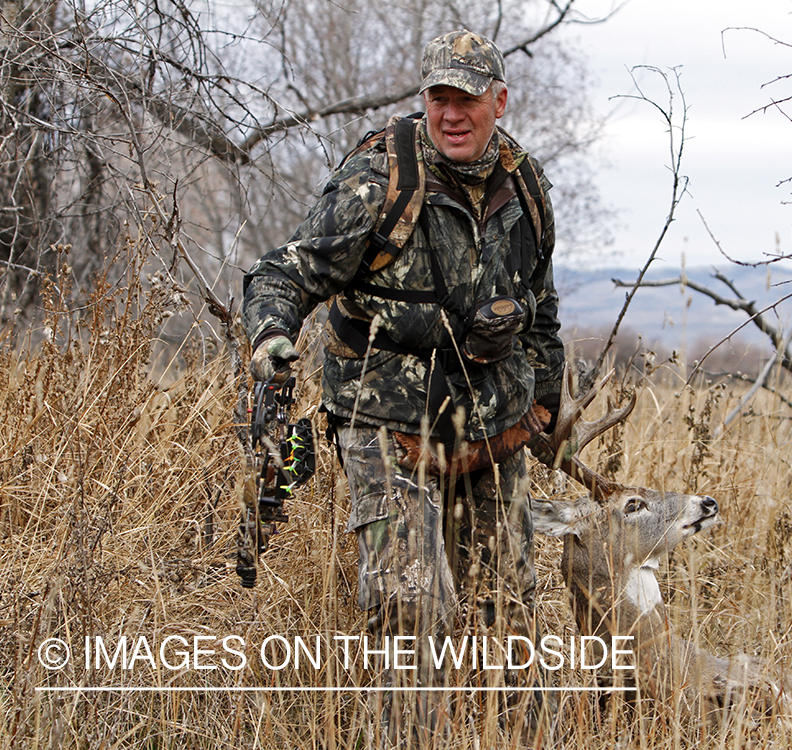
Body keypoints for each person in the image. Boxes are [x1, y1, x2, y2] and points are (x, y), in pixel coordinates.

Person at [242, 29, 564, 744]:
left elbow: (539, 302)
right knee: (411, 602)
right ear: (423, 101)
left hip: (491, 428)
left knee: (507, 608)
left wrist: (546, 402)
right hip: (386, 424)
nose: (452, 114)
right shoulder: (378, 182)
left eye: (467, 99)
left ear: (499, 101)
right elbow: (283, 273)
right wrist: (271, 336)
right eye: (437, 97)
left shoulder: (526, 185)